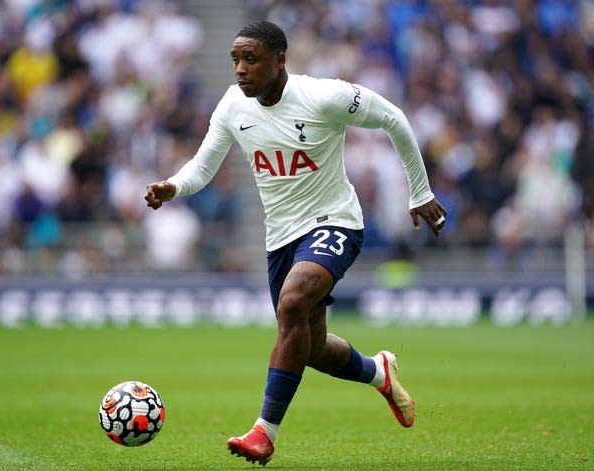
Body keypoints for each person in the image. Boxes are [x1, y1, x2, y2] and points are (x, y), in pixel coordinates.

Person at [145, 20, 447, 466]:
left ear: (280, 60)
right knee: (310, 346)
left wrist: (419, 191)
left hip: (335, 222)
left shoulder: (324, 96)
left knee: (291, 305)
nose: (240, 69)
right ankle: (378, 371)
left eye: (251, 59)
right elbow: (203, 166)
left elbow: (393, 117)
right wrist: (173, 186)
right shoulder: (233, 105)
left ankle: (264, 433)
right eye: (234, 59)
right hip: (280, 238)